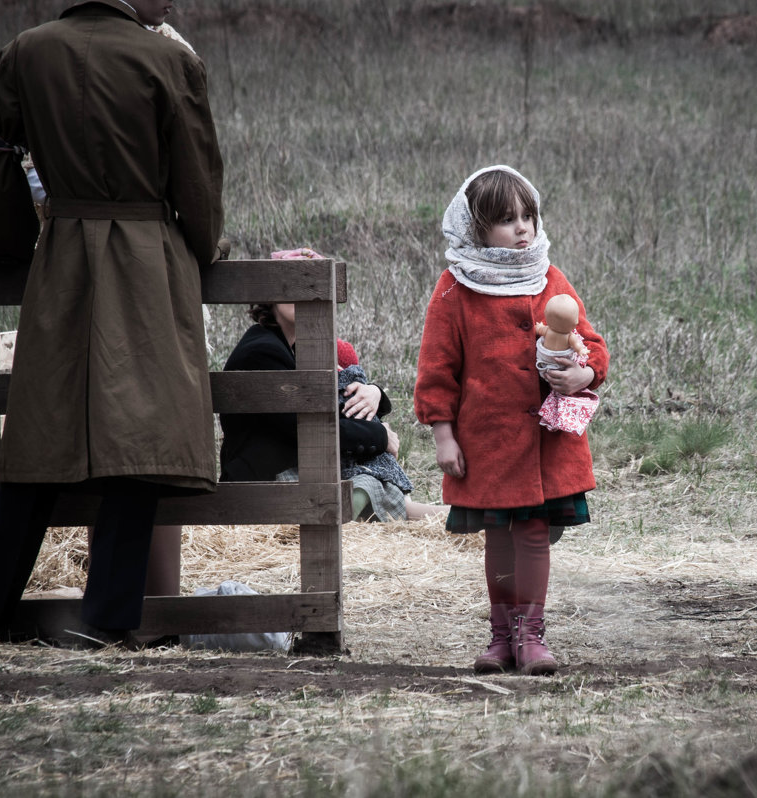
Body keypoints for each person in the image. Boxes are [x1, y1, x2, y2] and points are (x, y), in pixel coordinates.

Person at [0, 0, 225, 646]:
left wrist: (14, 246)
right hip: (146, 267)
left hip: (63, 264)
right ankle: (104, 621)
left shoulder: (25, 52)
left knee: (44, 439)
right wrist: (205, 247)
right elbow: (199, 188)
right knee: (141, 445)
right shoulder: (170, 61)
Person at [414, 165, 609, 676]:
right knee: (499, 538)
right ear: (476, 227)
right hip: (488, 442)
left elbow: (591, 346)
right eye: (505, 219)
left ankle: (531, 635)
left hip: (545, 442)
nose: (522, 228)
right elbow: (437, 368)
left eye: (528, 216)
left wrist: (581, 374)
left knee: (533, 533)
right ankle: (501, 637)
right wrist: (443, 435)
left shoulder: (548, 277)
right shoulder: (456, 288)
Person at [219, 256, 445, 521]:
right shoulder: (263, 351)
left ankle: (438, 515)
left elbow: (338, 395)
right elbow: (309, 429)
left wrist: (374, 392)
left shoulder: (297, 347)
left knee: (366, 476)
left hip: (292, 467)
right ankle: (434, 515)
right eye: (290, 287)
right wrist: (380, 436)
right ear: (271, 299)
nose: (301, 294)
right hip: (263, 482)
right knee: (364, 481)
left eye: (310, 286)